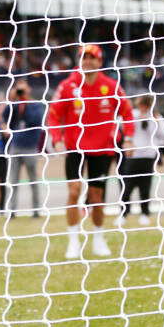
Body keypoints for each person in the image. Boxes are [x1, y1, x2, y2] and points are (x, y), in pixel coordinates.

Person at [47, 44, 134, 259]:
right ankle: (73, 242)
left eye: (92, 57)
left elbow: (127, 112)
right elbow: (54, 115)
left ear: (100, 61)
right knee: (74, 191)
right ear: (79, 60)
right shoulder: (68, 86)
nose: (88, 61)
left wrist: (129, 138)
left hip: (103, 148)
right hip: (75, 147)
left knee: (96, 197)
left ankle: (98, 238)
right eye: (84, 57)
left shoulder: (111, 86)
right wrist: (56, 140)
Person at [117, 95, 164, 227]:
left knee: (145, 187)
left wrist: (156, 120)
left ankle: (145, 214)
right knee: (127, 187)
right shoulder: (133, 115)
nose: (143, 108)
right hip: (133, 156)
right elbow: (121, 123)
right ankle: (123, 214)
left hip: (148, 156)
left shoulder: (156, 117)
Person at [3, 79, 45, 217]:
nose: (21, 92)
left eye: (23, 89)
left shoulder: (36, 105)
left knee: (33, 180)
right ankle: (12, 211)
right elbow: (5, 117)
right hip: (15, 146)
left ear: (29, 89)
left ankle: (36, 211)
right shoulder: (15, 105)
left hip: (30, 147)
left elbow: (35, 120)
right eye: (19, 89)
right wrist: (12, 100)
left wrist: (25, 102)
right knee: (13, 181)